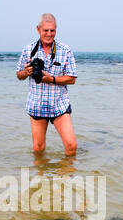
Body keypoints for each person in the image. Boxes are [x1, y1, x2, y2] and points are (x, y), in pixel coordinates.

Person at [16, 13, 77, 156]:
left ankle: (66, 177)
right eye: (46, 30)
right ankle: (41, 177)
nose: (49, 34)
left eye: (52, 30)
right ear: (38, 29)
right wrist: (26, 72)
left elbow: (72, 78)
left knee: (71, 145)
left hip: (59, 104)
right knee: (38, 148)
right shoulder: (28, 50)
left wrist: (52, 80)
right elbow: (19, 75)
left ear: (56, 30)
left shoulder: (65, 50)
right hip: (37, 104)